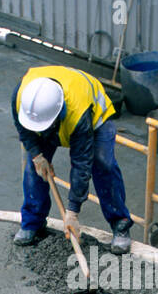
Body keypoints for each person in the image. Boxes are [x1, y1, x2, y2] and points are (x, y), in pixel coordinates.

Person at [11, 65, 133, 253]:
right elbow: (23, 129)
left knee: (103, 163)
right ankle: (32, 223)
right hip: (49, 117)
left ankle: (120, 224)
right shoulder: (22, 98)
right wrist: (37, 155)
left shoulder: (78, 114)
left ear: (59, 114)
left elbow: (81, 164)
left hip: (95, 119)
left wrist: (72, 212)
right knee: (33, 170)